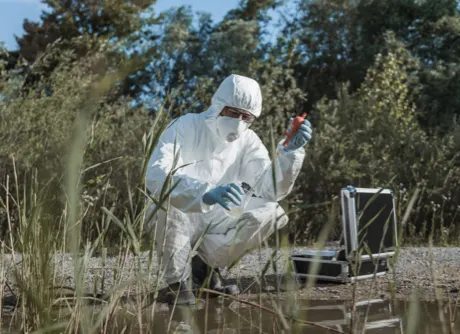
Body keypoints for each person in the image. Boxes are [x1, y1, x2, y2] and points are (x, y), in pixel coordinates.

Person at [145, 74, 312, 305]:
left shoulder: (249, 140)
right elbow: (156, 175)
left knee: (271, 212)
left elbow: (269, 189)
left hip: (218, 214)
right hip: (182, 210)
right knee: (165, 200)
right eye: (233, 113)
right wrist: (205, 192)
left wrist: (290, 153)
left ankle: (205, 271)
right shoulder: (186, 125)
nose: (239, 121)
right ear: (219, 105)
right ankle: (178, 285)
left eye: (247, 117)